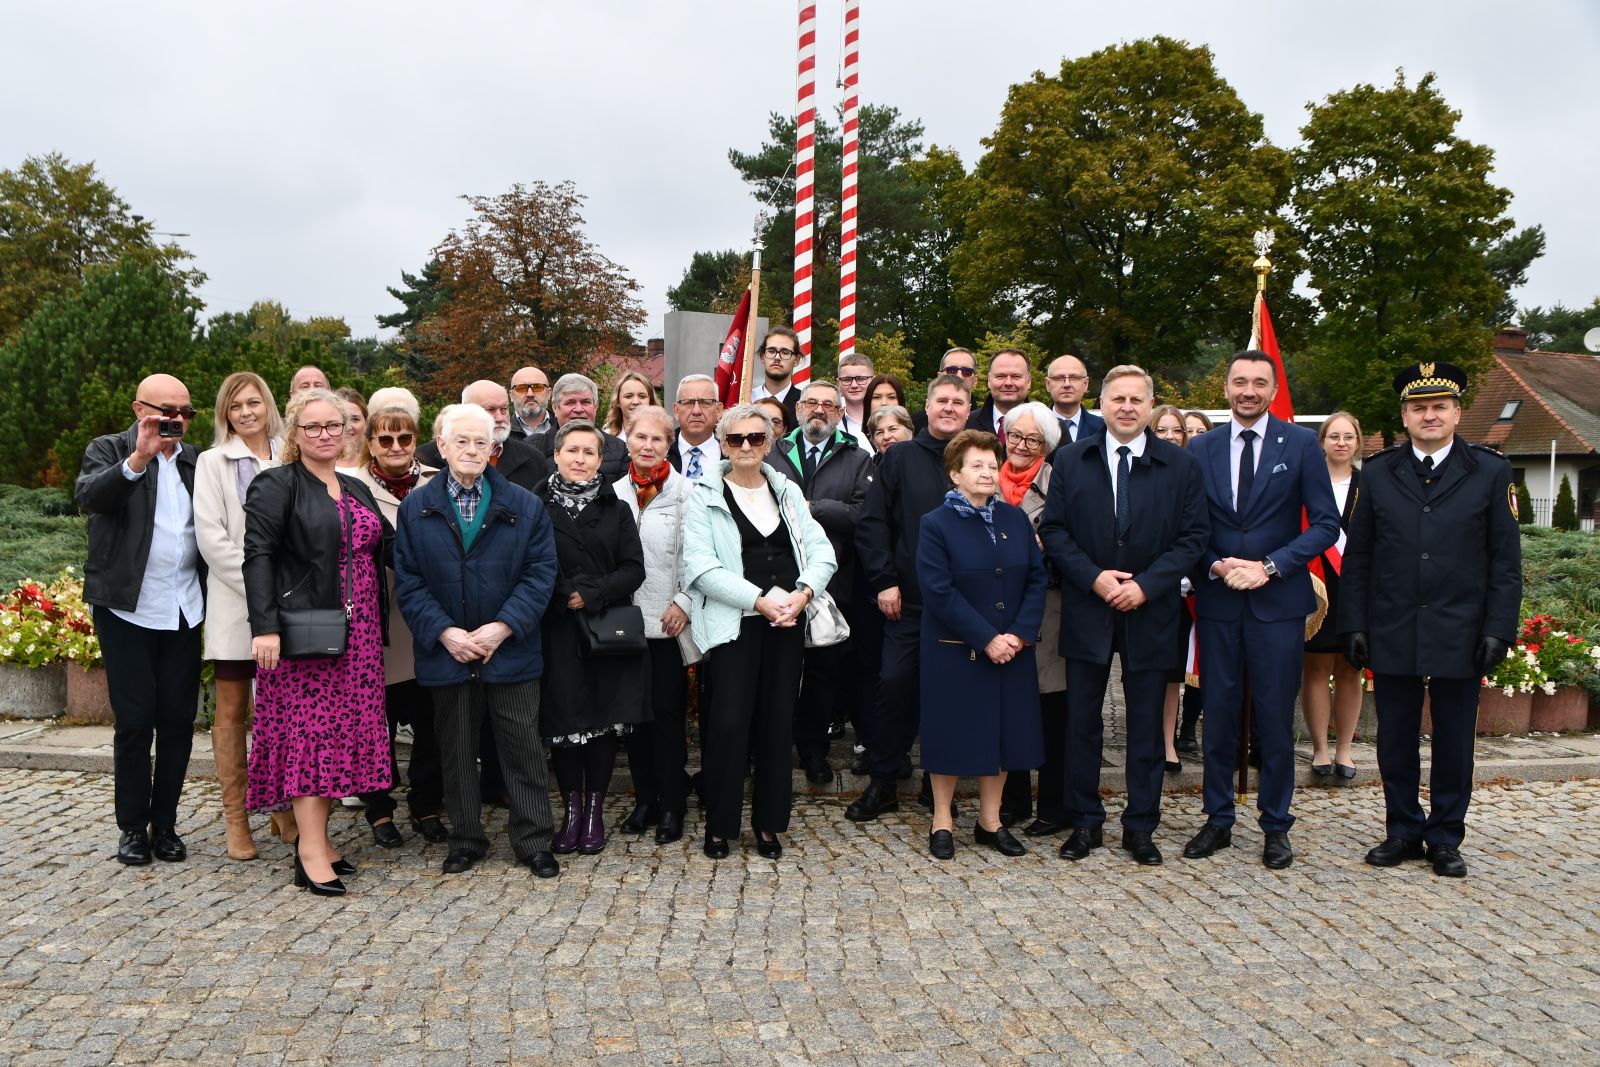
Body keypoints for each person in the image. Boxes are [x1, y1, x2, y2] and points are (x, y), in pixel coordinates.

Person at [1340, 363, 1521, 879]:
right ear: (1405, 416)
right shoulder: (1377, 472)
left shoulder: (1490, 471)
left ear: (1457, 413)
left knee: (1454, 739)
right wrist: (1354, 622)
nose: (1430, 415)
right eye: (1419, 407)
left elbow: (1506, 561)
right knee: (1394, 736)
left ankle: (1444, 835)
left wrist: (1498, 629)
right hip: (1393, 624)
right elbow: (1360, 557)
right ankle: (1401, 829)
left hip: (1460, 628)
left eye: (1440, 406)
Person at [1041, 368, 1209, 866]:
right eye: (1118, 399)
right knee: (1081, 723)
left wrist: (1146, 585)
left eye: (1138, 399)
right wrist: (1094, 578)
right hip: (1089, 608)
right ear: (1104, 402)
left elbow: (1193, 537)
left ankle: (1141, 826)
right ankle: (1085, 822)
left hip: (1151, 611)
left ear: (1151, 404)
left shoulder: (1180, 465)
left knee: (1144, 725)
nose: (1128, 407)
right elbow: (1055, 530)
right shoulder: (1072, 459)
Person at [1183, 351, 1339, 870]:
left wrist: (1269, 566)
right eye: (1240, 382)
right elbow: (1189, 528)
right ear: (1225, 389)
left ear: (1273, 390)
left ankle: (1276, 824)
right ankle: (1218, 819)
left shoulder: (1298, 445)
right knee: (1220, 715)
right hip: (1220, 601)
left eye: (1260, 383)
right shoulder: (1199, 448)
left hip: (1277, 603)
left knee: (1274, 717)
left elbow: (1323, 524)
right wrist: (1217, 566)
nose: (1249, 391)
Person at [392, 403, 561, 880]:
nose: (470, 449)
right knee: (457, 749)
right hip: (448, 650)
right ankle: (465, 840)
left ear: (495, 448)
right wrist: (445, 633)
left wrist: (503, 627)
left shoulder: (524, 505)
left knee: (523, 748)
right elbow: (409, 581)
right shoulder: (416, 507)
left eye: (480, 442)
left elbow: (540, 573)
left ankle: (533, 841)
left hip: (510, 647)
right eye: (460, 441)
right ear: (441, 446)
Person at [242, 389, 393, 895]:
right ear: (296, 433)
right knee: (311, 740)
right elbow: (257, 556)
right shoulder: (276, 485)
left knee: (338, 739)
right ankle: (309, 852)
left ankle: (322, 841)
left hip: (362, 636)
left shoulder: (356, 488)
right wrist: (264, 626)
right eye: (314, 427)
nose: (326, 434)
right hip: (306, 633)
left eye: (334, 426)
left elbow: (390, 549)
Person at [681, 404, 837, 859]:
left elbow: (823, 552)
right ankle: (719, 824)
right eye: (736, 439)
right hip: (736, 625)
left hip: (786, 624)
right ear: (724, 444)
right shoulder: (704, 494)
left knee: (776, 723)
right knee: (728, 724)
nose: (746, 446)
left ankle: (769, 823)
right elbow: (700, 567)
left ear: (769, 443)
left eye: (755, 438)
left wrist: (803, 594)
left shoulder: (787, 490)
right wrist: (758, 600)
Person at [76, 374, 206, 866]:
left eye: (185, 412)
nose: (176, 420)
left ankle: (166, 825)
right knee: (135, 722)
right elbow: (90, 497)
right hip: (127, 607)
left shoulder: (197, 461)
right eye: (166, 410)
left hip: (184, 607)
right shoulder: (109, 449)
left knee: (176, 720)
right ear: (139, 409)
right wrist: (139, 459)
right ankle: (132, 828)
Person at [917, 430, 1047, 859]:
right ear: (955, 473)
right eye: (977, 465)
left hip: (1012, 649)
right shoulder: (936, 523)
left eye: (993, 465)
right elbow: (938, 591)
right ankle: (942, 820)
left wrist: (1018, 634)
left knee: (1005, 734)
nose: (988, 472)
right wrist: (986, 638)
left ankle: (990, 822)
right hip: (955, 649)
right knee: (951, 732)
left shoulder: (1014, 519)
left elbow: (1036, 579)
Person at [848, 374, 973, 823]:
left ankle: (938, 787)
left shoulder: (979, 456)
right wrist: (884, 581)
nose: (949, 408)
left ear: (967, 407)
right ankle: (883, 781)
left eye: (958, 402)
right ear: (928, 404)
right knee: (895, 685)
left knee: (953, 696)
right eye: (942, 399)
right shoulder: (900, 457)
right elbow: (873, 524)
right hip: (910, 601)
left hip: (966, 606)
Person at [533, 420, 649, 855]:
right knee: (563, 724)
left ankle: (595, 812)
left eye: (589, 452)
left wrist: (592, 593)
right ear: (557, 455)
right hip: (557, 629)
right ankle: (571, 814)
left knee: (600, 725)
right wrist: (564, 595)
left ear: (601, 461)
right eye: (572, 450)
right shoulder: (535, 503)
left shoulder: (616, 507)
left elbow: (633, 568)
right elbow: (526, 563)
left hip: (605, 632)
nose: (579, 459)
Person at [346, 401, 448, 848]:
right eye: (384, 438)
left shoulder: (438, 480)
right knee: (375, 723)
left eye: (404, 438)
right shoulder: (350, 485)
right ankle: (379, 809)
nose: (395, 446)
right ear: (370, 443)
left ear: (416, 440)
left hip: (429, 619)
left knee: (431, 721)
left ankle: (426, 803)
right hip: (376, 621)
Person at [193, 371, 285, 860]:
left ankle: (280, 809)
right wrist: (259, 589)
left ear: (267, 405)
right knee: (232, 711)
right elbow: (211, 537)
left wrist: (284, 593)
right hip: (236, 603)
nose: (247, 412)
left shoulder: (291, 454)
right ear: (225, 414)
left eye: (254, 402)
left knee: (279, 710)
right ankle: (236, 819)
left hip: (289, 605)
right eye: (236, 406)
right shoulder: (213, 462)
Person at [773, 380, 872, 784]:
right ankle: (774, 748)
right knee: (778, 671)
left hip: (834, 582)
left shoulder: (857, 456)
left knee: (822, 674)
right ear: (798, 410)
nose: (818, 410)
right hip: (777, 580)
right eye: (811, 403)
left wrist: (813, 508)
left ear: (838, 413)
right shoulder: (773, 451)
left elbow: (863, 514)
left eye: (828, 406)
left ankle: (814, 750)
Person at [615, 406, 695, 845]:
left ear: (670, 444)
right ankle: (644, 798)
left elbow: (696, 555)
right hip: (625, 625)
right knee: (635, 719)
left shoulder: (688, 493)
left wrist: (684, 599)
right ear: (628, 437)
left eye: (658, 439)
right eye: (640, 437)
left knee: (666, 717)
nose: (648, 446)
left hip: (667, 622)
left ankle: (672, 804)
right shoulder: (612, 493)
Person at [993, 402, 1070, 834]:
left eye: (1033, 439)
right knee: (1008, 708)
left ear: (1047, 445)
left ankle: (1055, 807)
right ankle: (1012, 800)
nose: (1021, 446)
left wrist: (1046, 550)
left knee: (1050, 707)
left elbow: (1072, 540)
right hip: (997, 610)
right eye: (1016, 436)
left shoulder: (1059, 484)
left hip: (1048, 609)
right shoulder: (986, 478)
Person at [1303, 411, 1365, 781]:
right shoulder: (1308, 481)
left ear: (1357, 442)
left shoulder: (1370, 484)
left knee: (1349, 669)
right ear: (1322, 441)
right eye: (1333, 436)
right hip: (1316, 584)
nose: (1341, 443)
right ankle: (1320, 750)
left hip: (1356, 586)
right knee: (1316, 668)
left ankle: (1344, 749)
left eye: (1348, 437)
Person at [1149, 404, 1191, 773]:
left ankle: (1168, 740)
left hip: (1186, 587)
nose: (1169, 436)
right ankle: (1151, 739)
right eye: (1160, 429)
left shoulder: (1193, 472)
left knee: (1174, 673)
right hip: (1149, 585)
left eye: (1175, 429)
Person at [417, 380, 551, 494]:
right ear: (466, 411)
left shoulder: (534, 460)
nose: (499, 418)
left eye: (504, 409)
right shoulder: (425, 458)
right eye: (490, 410)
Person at [1176, 410, 1213, 753]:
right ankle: (1175, 729)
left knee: (1199, 662)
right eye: (1188, 431)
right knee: (1177, 664)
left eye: (1198, 431)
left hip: (1204, 581)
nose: (1191, 436)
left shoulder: (1206, 474)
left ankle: (1190, 727)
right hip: (1172, 586)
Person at [532, 373, 630, 481]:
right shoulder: (532, 448)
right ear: (555, 407)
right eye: (570, 402)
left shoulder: (620, 450)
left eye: (585, 402)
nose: (578, 409)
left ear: (596, 406)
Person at [668, 374, 723, 480]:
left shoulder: (732, 453)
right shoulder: (660, 451)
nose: (696, 411)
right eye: (688, 403)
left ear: (718, 410)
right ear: (676, 411)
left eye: (705, 403)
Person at [968, 349, 1033, 436]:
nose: (1008, 383)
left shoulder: (1045, 426)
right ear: (989, 381)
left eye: (1016, 376)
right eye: (1000, 376)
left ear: (1028, 382)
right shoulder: (966, 423)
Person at [1045, 354, 1105, 446]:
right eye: (1059, 378)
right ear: (1048, 384)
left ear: (1085, 384)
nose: (1067, 384)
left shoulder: (1103, 429)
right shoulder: (1035, 426)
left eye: (1074, 378)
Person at [749, 326, 803, 427]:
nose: (777, 357)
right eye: (771, 351)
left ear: (797, 360)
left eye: (785, 352)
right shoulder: (746, 399)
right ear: (762, 357)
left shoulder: (805, 403)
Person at [836, 353, 876, 449]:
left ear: (873, 381)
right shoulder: (831, 424)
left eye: (861, 379)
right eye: (847, 379)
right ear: (838, 384)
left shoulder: (891, 419)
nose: (854, 385)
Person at [603, 370, 658, 437]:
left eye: (642, 396)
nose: (635, 402)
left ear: (650, 401)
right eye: (628, 396)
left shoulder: (663, 437)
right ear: (618, 401)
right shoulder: (606, 439)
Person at [508, 366, 556, 441]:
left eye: (537, 387)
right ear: (511, 395)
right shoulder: (499, 432)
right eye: (521, 388)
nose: (530, 394)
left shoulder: (563, 428)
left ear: (549, 393)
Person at [335, 387, 367, 466]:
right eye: (342, 419)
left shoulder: (378, 468)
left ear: (366, 423)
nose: (348, 427)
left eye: (355, 419)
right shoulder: (316, 467)